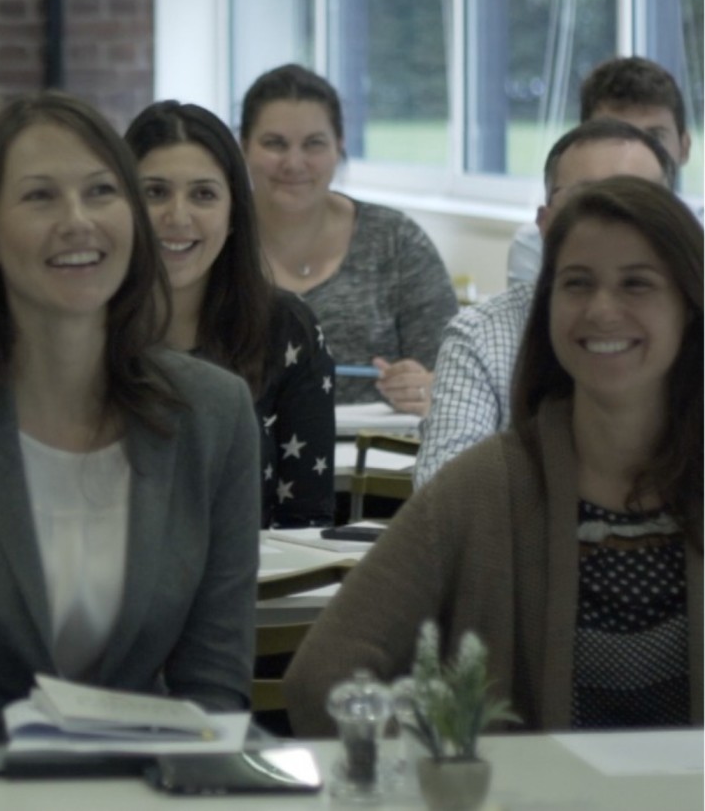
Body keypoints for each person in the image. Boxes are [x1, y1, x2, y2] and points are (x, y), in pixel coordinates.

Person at [0, 92, 262, 749]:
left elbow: (213, 684)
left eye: (101, 192)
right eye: (40, 197)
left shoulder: (214, 414)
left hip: (146, 788)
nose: (78, 221)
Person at [285, 176, 703, 735]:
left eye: (636, 285)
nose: (602, 310)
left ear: (689, 305)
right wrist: (450, 768)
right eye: (576, 283)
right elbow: (322, 676)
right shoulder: (484, 486)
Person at [415, 120, 677, 487]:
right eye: (586, 202)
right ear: (545, 223)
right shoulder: (483, 334)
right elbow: (442, 502)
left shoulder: (692, 320)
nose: (612, 225)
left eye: (636, 201)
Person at [124, 100, 335, 528]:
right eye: (155, 192)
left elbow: (307, 526)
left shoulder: (286, 329)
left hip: (253, 588)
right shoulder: (79, 327)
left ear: (234, 213)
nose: (177, 217)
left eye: (203, 194)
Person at [239, 64, 458, 414]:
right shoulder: (215, 241)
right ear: (244, 145)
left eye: (314, 144)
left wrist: (427, 386)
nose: (294, 163)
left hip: (381, 459)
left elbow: (454, 376)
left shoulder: (395, 241)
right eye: (274, 144)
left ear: (339, 146)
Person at [508, 56, 695, 286]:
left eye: (654, 136)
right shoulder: (538, 244)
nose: (634, 153)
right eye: (614, 135)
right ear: (582, 143)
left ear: (684, 147)